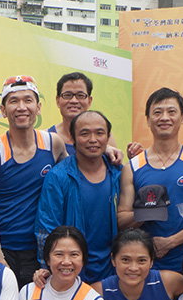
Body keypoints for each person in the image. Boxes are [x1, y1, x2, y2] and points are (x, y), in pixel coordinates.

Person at [0, 75, 66, 287]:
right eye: (13, 101)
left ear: (38, 107)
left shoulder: (53, 144)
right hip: (6, 249)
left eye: (28, 100)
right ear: (3, 110)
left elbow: (76, 176)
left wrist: (106, 149)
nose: (21, 107)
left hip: (43, 249)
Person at [119, 87, 183, 274]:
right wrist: (145, 212)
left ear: (182, 118)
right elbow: (121, 220)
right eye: (157, 112)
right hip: (143, 264)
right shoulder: (132, 167)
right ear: (148, 120)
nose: (164, 118)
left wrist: (169, 242)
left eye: (171, 112)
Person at [35, 111, 122, 284]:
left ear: (107, 137)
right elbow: (46, 230)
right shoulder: (58, 177)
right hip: (71, 272)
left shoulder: (118, 173)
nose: (93, 139)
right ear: (72, 137)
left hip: (113, 272)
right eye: (84, 133)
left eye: (99, 133)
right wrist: (48, 268)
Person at [48, 71, 123, 162]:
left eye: (80, 95)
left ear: (89, 101)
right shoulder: (47, 138)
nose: (74, 101)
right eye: (67, 95)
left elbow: (114, 168)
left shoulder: (105, 138)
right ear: (57, 100)